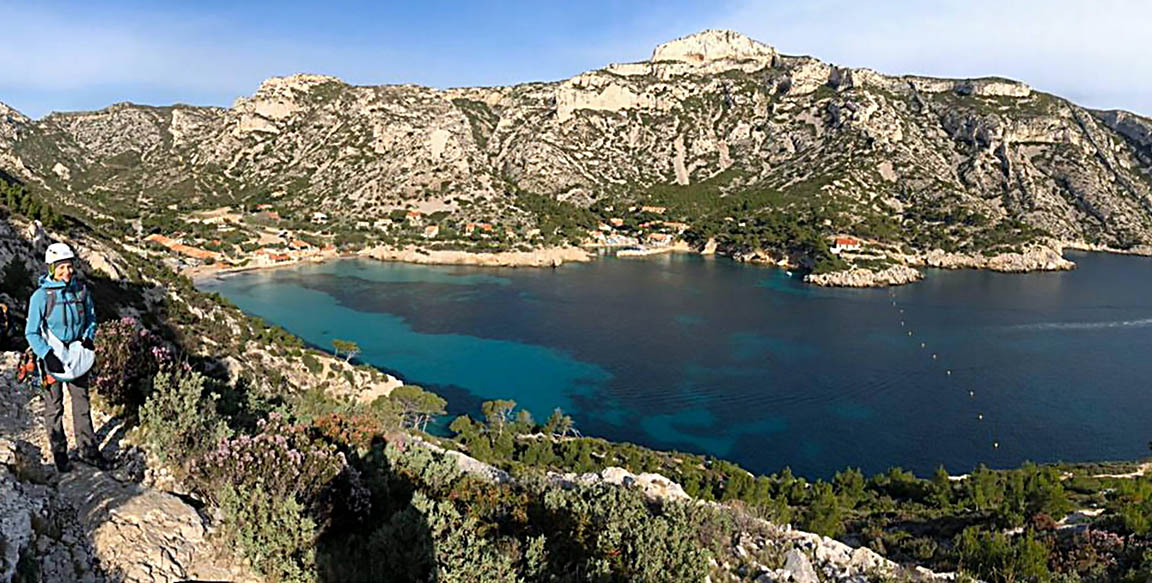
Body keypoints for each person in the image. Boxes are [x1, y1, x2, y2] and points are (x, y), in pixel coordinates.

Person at [24, 242, 108, 472]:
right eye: (61, 268)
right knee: (54, 406)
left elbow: (91, 319)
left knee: (81, 404)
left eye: (69, 267)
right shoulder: (41, 297)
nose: (66, 272)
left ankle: (89, 451)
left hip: (77, 354)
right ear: (52, 269)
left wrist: (89, 337)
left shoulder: (80, 291)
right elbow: (31, 332)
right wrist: (46, 354)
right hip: (52, 357)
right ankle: (60, 455)